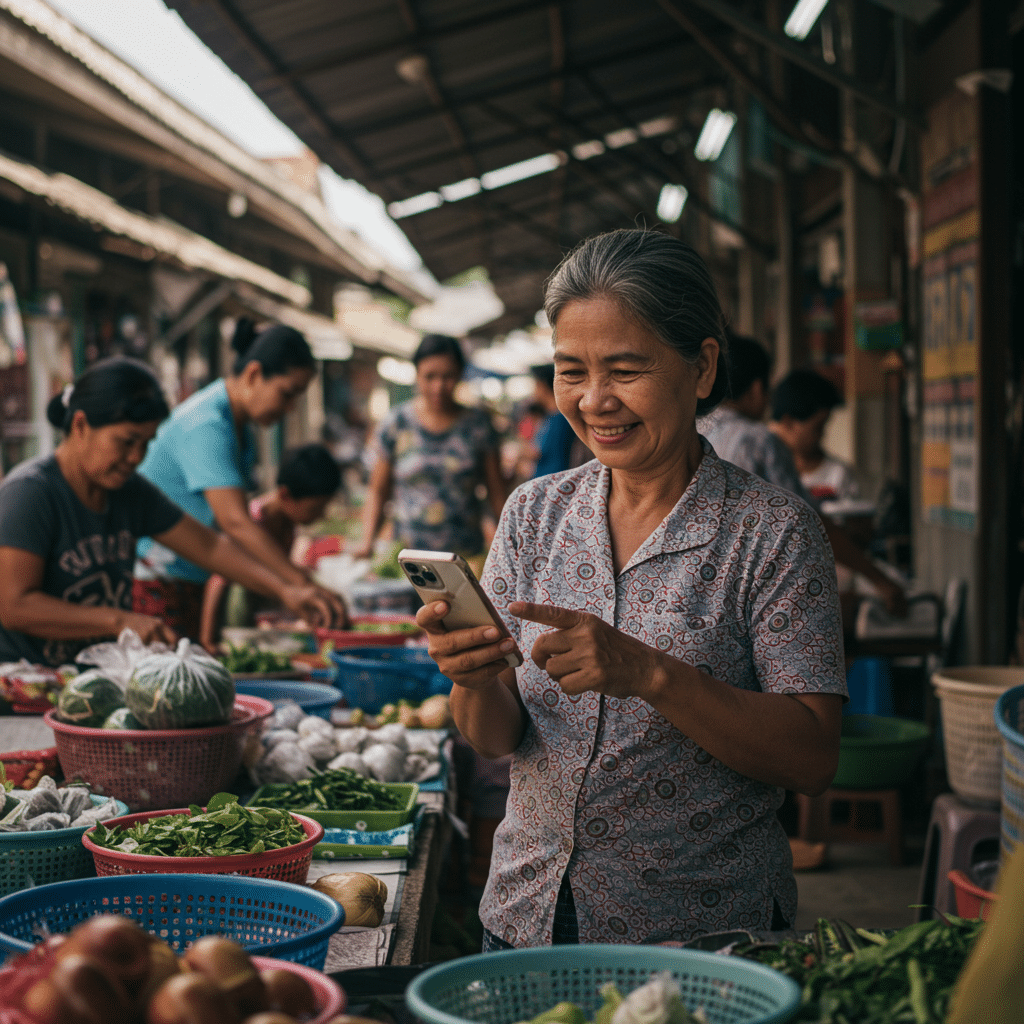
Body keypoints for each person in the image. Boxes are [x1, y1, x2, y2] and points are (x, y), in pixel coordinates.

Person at [418, 229, 847, 948]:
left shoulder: (774, 533)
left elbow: (811, 758)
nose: (594, 401)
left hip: (700, 938)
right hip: (528, 916)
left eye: (624, 369)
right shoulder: (533, 514)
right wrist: (474, 677)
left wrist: (648, 673)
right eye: (571, 371)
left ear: (703, 367)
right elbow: (495, 736)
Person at [0, 359, 341, 668]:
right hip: (22, 688)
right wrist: (119, 620)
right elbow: (14, 606)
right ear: (80, 426)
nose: (136, 457)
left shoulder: (129, 492)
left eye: (146, 443)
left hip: (87, 680)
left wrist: (287, 590)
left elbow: (210, 548)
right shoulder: (30, 494)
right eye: (126, 441)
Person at [133, 319, 347, 638]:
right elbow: (235, 523)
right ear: (254, 374)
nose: (290, 409)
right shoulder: (207, 425)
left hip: (189, 578)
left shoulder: (236, 425)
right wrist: (299, 584)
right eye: (287, 394)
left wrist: (293, 585)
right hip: (157, 583)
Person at [699, 333, 906, 617]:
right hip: (750, 599)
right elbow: (809, 523)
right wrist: (880, 581)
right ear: (758, 389)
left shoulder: (693, 431)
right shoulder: (759, 440)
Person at [354, 333, 506, 560]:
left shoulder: (479, 426)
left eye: (448, 376)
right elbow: (378, 490)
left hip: (464, 558)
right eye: (430, 377)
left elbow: (496, 493)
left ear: (460, 375)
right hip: (408, 559)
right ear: (416, 375)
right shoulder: (396, 424)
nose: (439, 386)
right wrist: (367, 542)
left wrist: (508, 543)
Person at [200, 443, 342, 650]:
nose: (320, 515)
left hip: (260, 620)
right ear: (285, 496)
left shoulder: (288, 523)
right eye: (315, 508)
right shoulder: (252, 522)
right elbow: (218, 581)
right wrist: (208, 640)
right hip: (236, 625)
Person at [769, 369, 859, 503]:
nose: (822, 435)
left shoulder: (838, 474)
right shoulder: (764, 462)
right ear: (788, 422)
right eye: (818, 427)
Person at [529, 364, 576, 478]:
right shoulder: (552, 417)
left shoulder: (559, 419)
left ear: (543, 385)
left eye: (535, 385)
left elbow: (538, 452)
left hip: (554, 480)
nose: (533, 391)